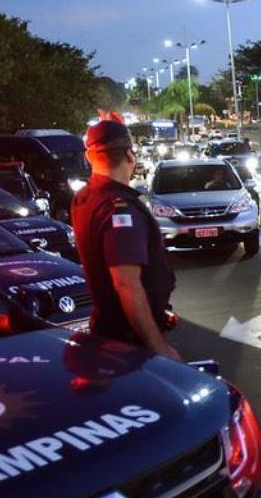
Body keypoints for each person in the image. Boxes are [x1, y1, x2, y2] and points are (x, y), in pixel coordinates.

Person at [71, 111, 182, 360]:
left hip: (108, 333)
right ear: (130, 156)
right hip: (130, 343)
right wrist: (158, 347)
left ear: (89, 157)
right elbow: (127, 285)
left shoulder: (86, 197)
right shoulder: (119, 208)